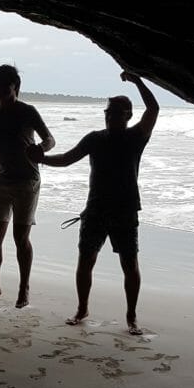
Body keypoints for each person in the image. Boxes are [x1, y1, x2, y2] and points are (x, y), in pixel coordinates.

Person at [29, 71, 159, 335]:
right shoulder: (94, 138)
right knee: (86, 260)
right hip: (95, 209)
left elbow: (153, 108)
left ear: (128, 116)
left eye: (116, 112)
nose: (110, 116)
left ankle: (131, 317)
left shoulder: (136, 137)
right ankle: (82, 309)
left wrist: (137, 81)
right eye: (108, 112)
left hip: (125, 209)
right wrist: (42, 159)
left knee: (129, 264)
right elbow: (66, 158)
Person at [0, 64, 55, 309]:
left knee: (20, 238)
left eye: (6, 86)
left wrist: (42, 149)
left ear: (16, 87)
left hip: (28, 181)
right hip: (1, 181)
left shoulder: (28, 112)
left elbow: (50, 139)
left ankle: (24, 288)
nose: (0, 90)